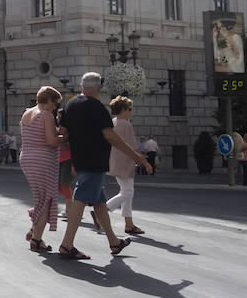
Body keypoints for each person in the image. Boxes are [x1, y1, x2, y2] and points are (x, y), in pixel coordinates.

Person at [54, 72, 151, 260]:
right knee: (79, 199)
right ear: (98, 88)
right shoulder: (97, 107)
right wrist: (136, 156)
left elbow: (63, 133)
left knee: (99, 202)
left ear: (82, 86)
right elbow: (111, 136)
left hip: (81, 159)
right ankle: (66, 245)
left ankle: (114, 242)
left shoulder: (71, 104)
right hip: (94, 161)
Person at [19, 85, 63, 253]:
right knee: (47, 199)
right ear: (48, 100)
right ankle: (36, 240)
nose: (55, 107)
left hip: (27, 157)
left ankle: (34, 230)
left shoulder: (27, 113)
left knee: (40, 197)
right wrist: (64, 137)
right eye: (55, 103)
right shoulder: (46, 115)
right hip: (43, 159)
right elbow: (51, 141)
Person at [105, 96, 145, 236]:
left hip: (114, 161)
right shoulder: (125, 124)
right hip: (125, 162)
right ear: (122, 109)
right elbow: (134, 146)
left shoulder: (113, 122)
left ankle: (129, 224)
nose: (130, 111)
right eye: (129, 109)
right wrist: (145, 162)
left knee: (128, 191)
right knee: (127, 192)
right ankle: (103, 211)